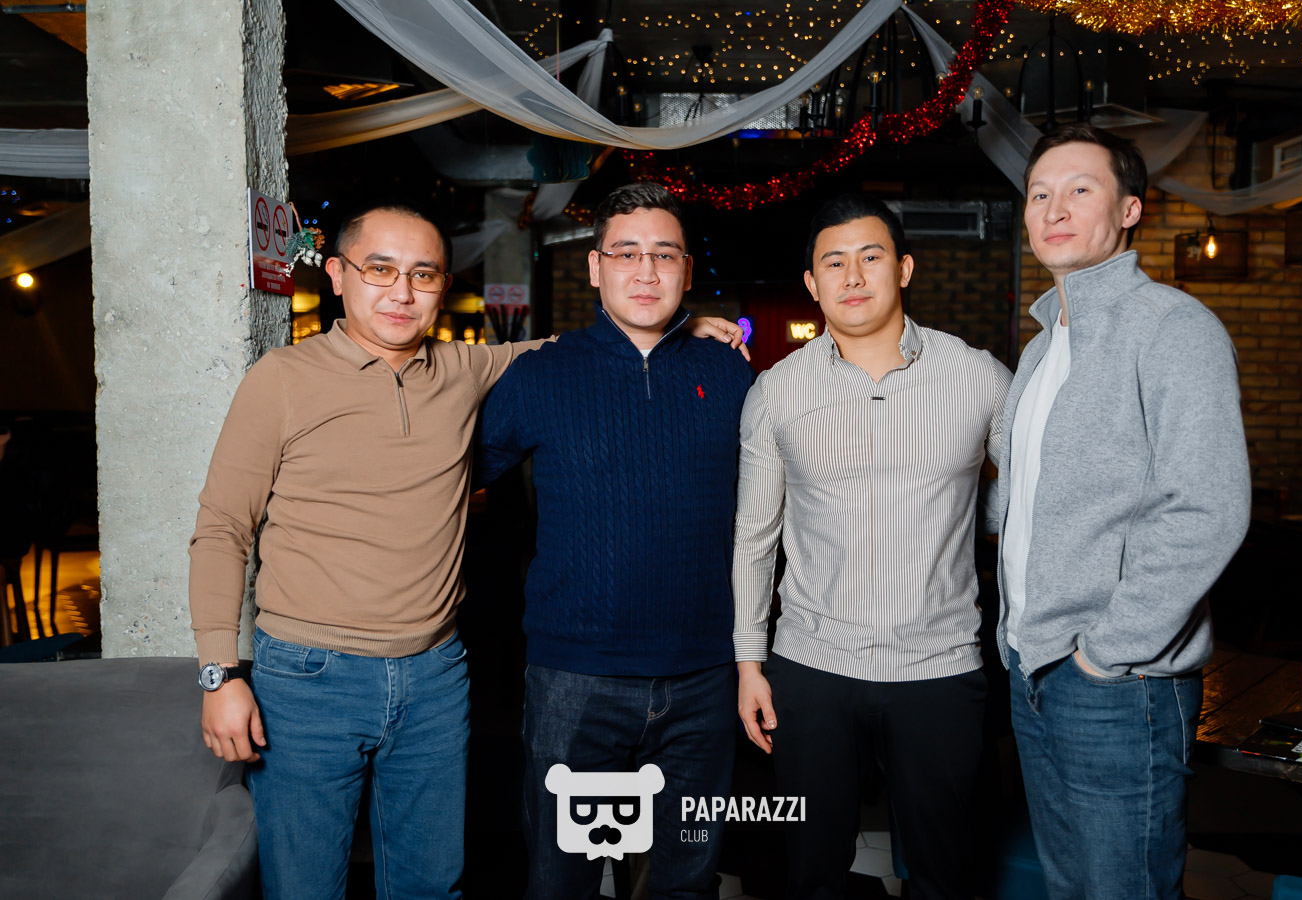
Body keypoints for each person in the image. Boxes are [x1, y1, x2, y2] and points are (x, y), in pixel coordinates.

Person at [188, 200, 746, 900]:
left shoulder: (464, 368)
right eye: (380, 269)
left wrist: (682, 325)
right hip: (309, 675)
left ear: (443, 287)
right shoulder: (281, 378)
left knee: (432, 888)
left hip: (435, 675)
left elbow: (592, 346)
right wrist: (219, 673)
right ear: (336, 274)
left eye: (423, 274)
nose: (401, 291)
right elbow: (221, 528)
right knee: (304, 889)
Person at [476, 182, 755, 900]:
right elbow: (455, 479)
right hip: (576, 680)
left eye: (665, 254)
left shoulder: (729, 372)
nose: (646, 270)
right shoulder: (542, 373)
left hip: (704, 678)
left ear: (686, 270)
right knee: (560, 881)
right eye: (626, 253)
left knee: (688, 881)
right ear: (595, 267)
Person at [995, 123, 1250, 900]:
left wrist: (1107, 652)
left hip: (1118, 680)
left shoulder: (1173, 328)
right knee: (1069, 887)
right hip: (1032, 665)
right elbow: (1027, 502)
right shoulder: (1041, 348)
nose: (1054, 209)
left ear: (1130, 209)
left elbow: (1206, 509)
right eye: (1040, 193)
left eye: (1080, 189)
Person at [733, 194, 1011, 900]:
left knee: (945, 877)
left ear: (904, 268)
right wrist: (748, 662)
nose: (853, 276)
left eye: (871, 256)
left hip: (940, 668)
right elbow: (754, 535)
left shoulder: (978, 377)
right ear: (812, 283)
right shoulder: (777, 392)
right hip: (812, 668)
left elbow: (1029, 503)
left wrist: (969, 519)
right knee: (812, 876)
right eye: (834, 262)